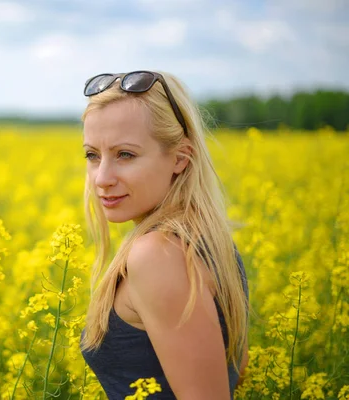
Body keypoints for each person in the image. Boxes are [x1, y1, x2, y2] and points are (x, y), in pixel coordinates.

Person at [78, 70, 250, 399]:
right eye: (92, 155)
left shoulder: (159, 254)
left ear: (180, 159)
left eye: (125, 154)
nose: (101, 178)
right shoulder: (207, 241)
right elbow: (234, 370)